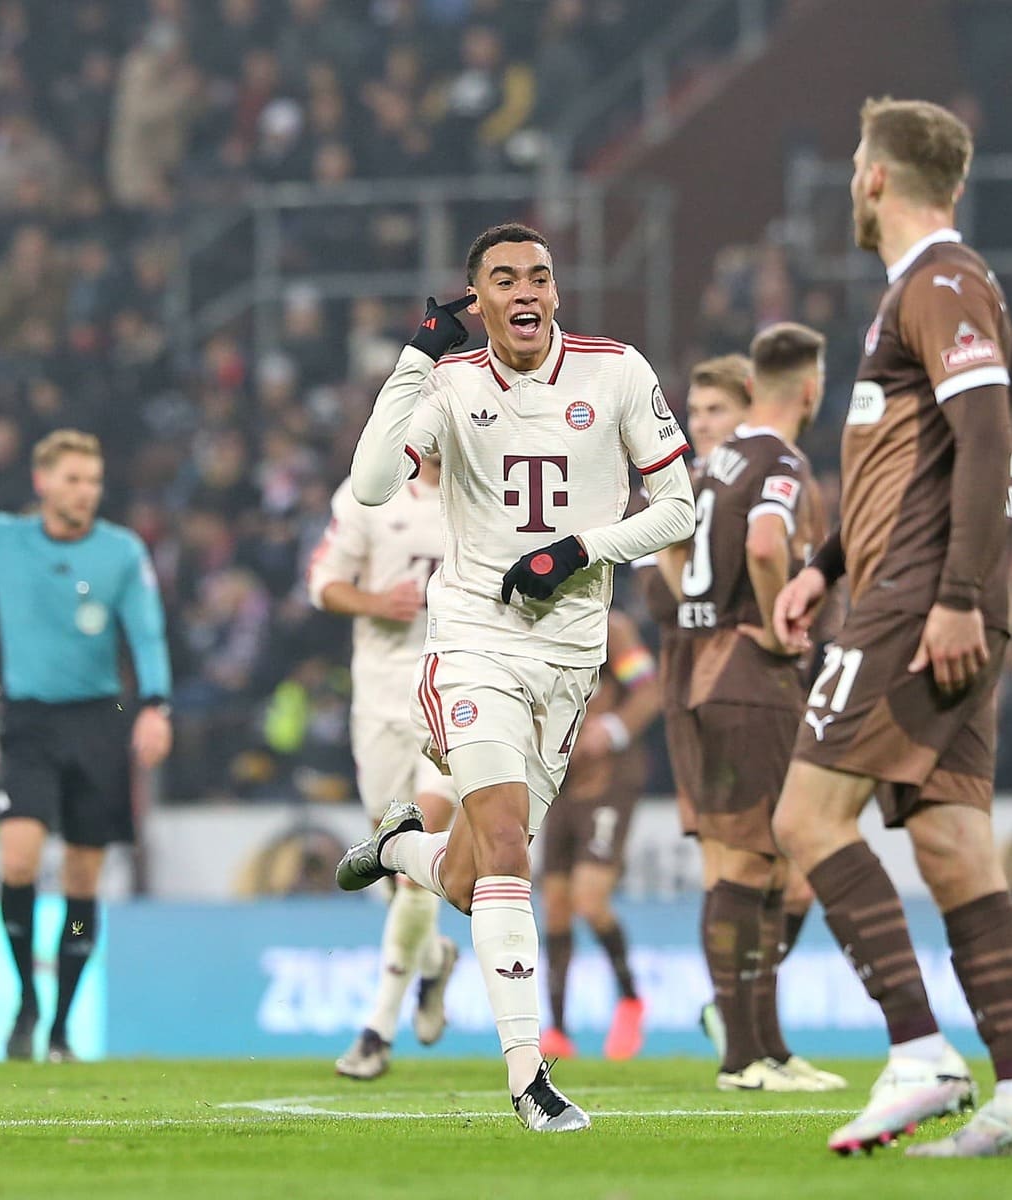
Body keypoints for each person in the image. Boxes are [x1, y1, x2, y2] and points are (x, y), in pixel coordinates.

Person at [335, 222, 695, 1132]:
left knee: (468, 877)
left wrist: (578, 550)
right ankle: (530, 1079)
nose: (525, 290)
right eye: (504, 279)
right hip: (472, 642)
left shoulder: (617, 372)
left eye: (539, 275)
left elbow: (680, 509)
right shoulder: (451, 386)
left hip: (571, 657)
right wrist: (416, 357)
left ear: (556, 293)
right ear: (480, 301)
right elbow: (373, 483)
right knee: (506, 846)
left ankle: (397, 850)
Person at [771, 97, 1012, 1158]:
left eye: (858, 160)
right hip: (912, 588)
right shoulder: (920, 293)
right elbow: (913, 466)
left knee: (805, 821)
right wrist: (823, 564)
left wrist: (952, 596)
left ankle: (917, 1053)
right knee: (951, 847)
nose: (853, 177)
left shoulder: (941, 282)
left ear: (877, 179)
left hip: (921, 602)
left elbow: (986, 439)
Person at [658, 324, 845, 1095]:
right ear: (809, 387)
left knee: (767, 868)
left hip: (706, 668)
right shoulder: (778, 461)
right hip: (746, 674)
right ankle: (743, 1054)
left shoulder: (709, 471)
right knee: (748, 866)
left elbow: (671, 550)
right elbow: (768, 548)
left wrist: (703, 612)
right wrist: (780, 627)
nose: (701, 420)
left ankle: (764, 1045)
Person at [0, 429, 172, 1062]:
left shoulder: (120, 552)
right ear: (43, 482)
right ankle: (27, 998)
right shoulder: (2, 538)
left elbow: (146, 633)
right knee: (20, 859)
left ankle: (61, 1024)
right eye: (74, 479)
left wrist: (156, 706)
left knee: (83, 878)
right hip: (26, 721)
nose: (87, 491)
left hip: (99, 720)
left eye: (93, 480)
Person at [307, 458, 459, 1081]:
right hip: (379, 697)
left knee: (418, 849)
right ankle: (433, 961)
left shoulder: (488, 483)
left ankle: (378, 1029)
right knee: (391, 862)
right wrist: (375, 600)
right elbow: (322, 583)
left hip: (454, 692)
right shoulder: (368, 493)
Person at [538, 606, 661, 1062]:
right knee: (554, 904)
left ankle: (630, 1000)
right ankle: (557, 1030)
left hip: (608, 782)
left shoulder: (613, 628)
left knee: (590, 900)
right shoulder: (535, 624)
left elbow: (649, 691)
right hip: (559, 781)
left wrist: (610, 730)